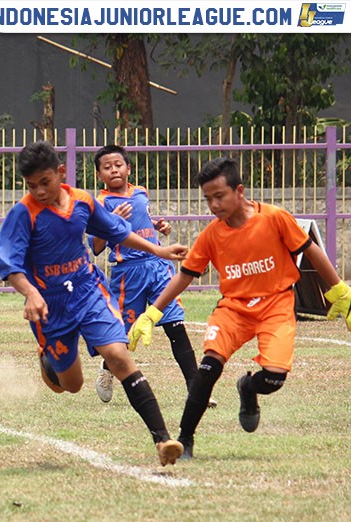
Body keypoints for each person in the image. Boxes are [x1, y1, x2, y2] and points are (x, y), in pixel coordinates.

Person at [128, 156, 351, 460]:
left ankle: (248, 388)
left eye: (219, 196)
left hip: (277, 305)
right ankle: (185, 441)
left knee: (273, 378)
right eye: (208, 198)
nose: (214, 204)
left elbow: (310, 251)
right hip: (233, 309)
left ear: (240, 191)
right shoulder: (211, 235)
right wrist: (152, 313)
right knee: (207, 368)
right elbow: (185, 275)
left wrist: (339, 290)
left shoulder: (274, 218)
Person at [0, 141, 190, 466]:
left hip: (88, 290)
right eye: (32, 186)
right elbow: (10, 265)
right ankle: (49, 357)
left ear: (61, 173)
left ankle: (162, 440)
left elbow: (116, 231)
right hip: (51, 306)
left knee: (118, 355)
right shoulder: (23, 214)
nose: (39, 191)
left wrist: (158, 250)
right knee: (71, 385)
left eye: (45, 182)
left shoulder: (82, 201)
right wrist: (30, 293)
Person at [88, 144, 208, 406]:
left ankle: (195, 388)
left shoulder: (140, 193)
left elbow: (143, 219)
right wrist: (110, 222)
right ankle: (108, 369)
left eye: (118, 165)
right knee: (122, 333)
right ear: (99, 176)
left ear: (128, 168)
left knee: (175, 325)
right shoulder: (100, 203)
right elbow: (95, 247)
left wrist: (158, 225)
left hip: (157, 267)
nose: (114, 170)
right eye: (106, 167)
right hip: (127, 275)